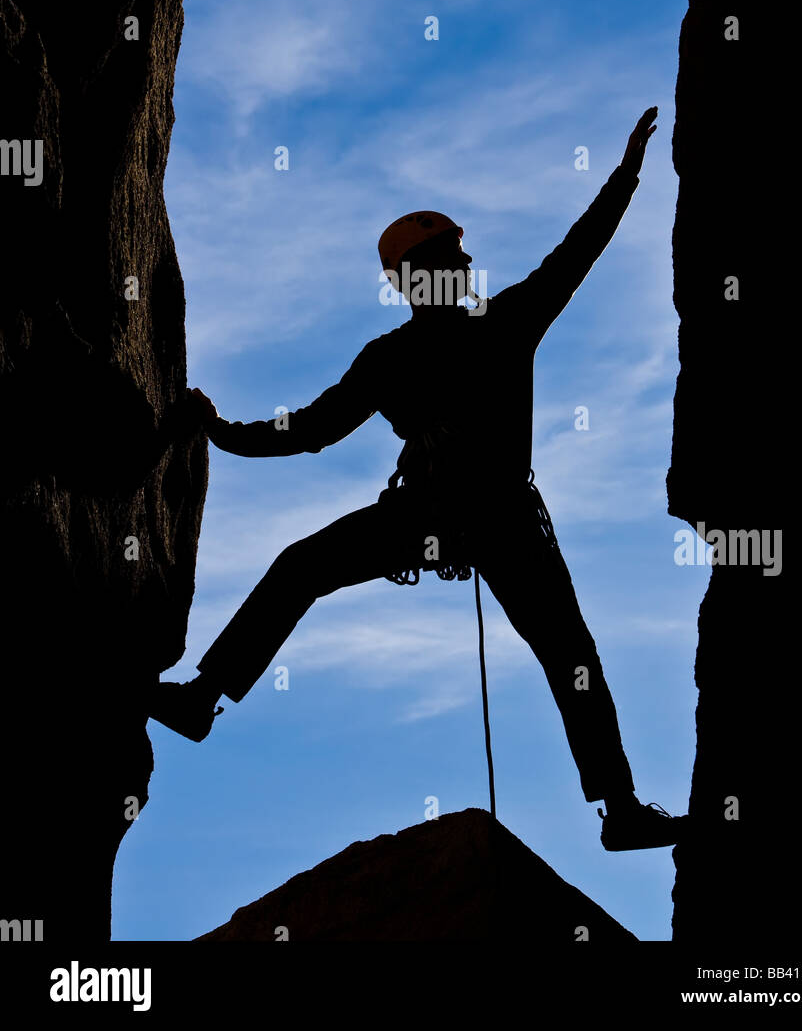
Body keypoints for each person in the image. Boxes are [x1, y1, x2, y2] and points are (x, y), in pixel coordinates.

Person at [149, 106, 687, 850]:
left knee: (566, 654)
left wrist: (626, 176)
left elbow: (305, 433)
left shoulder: (457, 337)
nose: (465, 269)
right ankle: (205, 697)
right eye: (453, 261)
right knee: (568, 656)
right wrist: (221, 432)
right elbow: (306, 431)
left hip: (453, 516)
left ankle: (620, 807)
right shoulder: (469, 335)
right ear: (419, 276)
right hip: (482, 517)